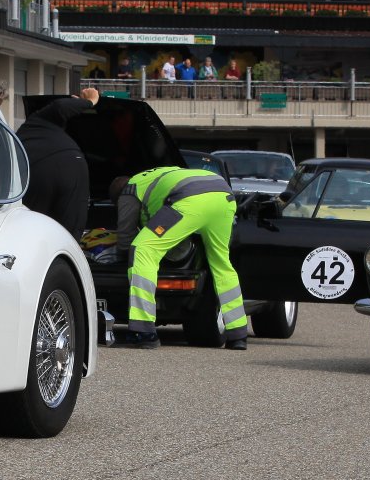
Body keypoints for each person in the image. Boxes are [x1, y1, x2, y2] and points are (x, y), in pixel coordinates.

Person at [109, 166, 249, 350]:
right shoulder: (156, 175)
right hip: (223, 196)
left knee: (143, 249)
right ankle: (238, 334)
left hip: (189, 199)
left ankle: (143, 332)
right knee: (221, 263)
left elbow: (125, 238)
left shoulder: (130, 190)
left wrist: (119, 256)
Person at [17, 87, 95, 240]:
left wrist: (90, 100)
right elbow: (61, 107)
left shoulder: (34, 122)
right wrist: (88, 102)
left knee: (32, 225)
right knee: (68, 232)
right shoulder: (43, 120)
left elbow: (61, 106)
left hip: (38, 173)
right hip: (71, 167)